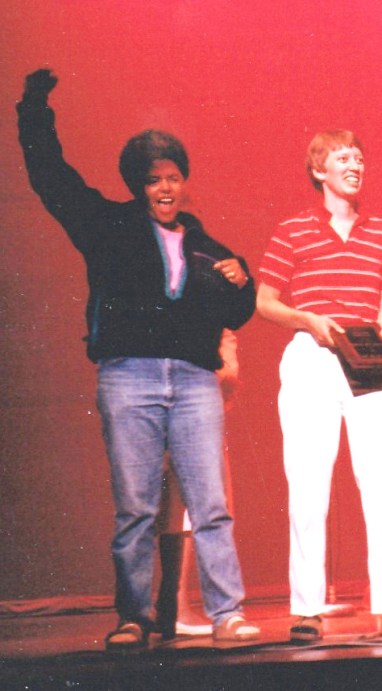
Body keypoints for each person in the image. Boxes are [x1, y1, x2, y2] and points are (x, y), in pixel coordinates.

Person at [17, 69, 259, 650]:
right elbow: (52, 179)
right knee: (136, 507)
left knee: (211, 505)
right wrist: (34, 110)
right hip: (130, 377)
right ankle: (134, 617)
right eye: (154, 180)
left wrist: (242, 282)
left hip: (196, 381)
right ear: (138, 185)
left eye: (174, 177)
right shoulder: (108, 227)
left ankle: (228, 615)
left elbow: (239, 310)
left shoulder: (206, 244)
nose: (166, 188)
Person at [256, 130, 382, 642]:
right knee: (308, 485)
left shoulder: (381, 231)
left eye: (359, 156)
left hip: (367, 359)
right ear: (319, 171)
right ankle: (307, 609)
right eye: (342, 158)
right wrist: (306, 318)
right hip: (313, 355)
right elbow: (265, 301)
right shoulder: (294, 229)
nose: (354, 164)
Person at [156, 329, 241, 638]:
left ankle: (175, 601)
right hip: (185, 408)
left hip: (191, 405)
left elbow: (228, 370)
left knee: (185, 507)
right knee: (184, 506)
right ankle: (174, 602)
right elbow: (227, 371)